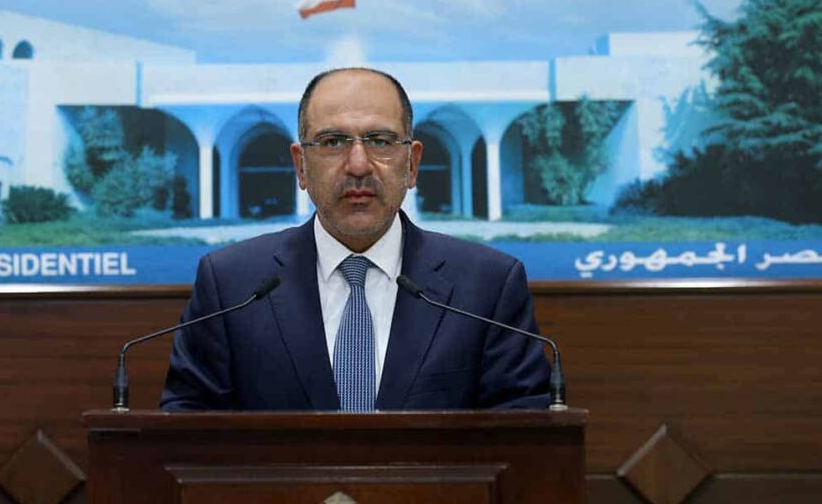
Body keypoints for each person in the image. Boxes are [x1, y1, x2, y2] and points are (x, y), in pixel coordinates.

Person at [159, 67, 551, 411]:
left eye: (380, 141)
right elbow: (188, 433)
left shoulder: (487, 288)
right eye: (333, 142)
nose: (359, 165)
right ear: (300, 166)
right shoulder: (232, 285)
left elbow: (524, 435)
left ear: (412, 164)